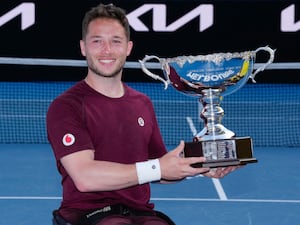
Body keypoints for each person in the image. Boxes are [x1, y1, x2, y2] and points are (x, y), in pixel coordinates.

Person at [47, 3, 238, 225]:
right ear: (83, 47)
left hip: (140, 213)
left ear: (128, 48)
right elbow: (85, 177)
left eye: (115, 41)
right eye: (97, 41)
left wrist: (198, 166)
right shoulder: (66, 106)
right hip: (88, 214)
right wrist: (158, 167)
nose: (107, 50)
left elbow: (160, 167)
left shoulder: (142, 103)